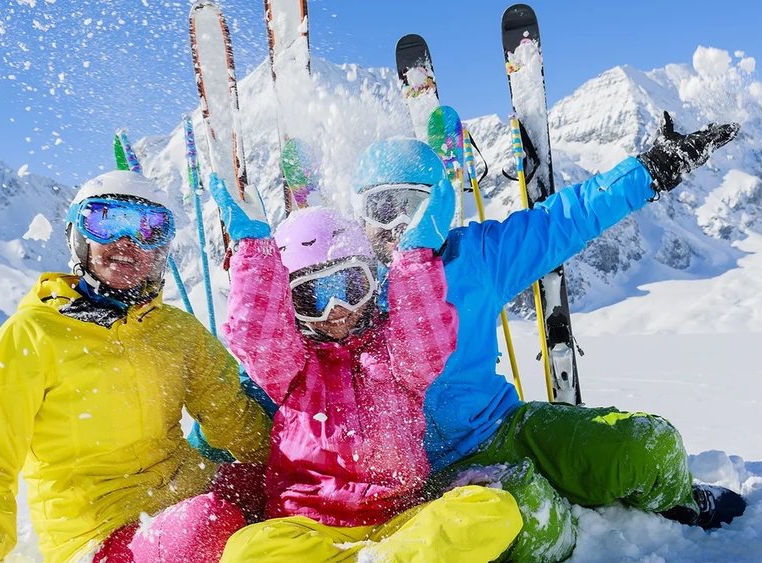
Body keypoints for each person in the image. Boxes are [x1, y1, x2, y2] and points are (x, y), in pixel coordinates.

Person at [350, 113, 745, 561]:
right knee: (531, 518)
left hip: (506, 427)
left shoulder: (476, 256)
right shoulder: (348, 293)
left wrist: (652, 168)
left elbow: (566, 219)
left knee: (647, 444)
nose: (393, 226)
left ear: (437, 202)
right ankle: (567, 522)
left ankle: (679, 500)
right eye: (379, 210)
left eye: (408, 205)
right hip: (431, 476)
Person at [0, 170, 272, 563]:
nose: (128, 241)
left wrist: (306, 454)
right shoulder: (34, 334)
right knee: (207, 525)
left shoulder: (177, 331)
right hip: (99, 530)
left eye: (150, 229)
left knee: (289, 492)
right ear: (78, 237)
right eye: (106, 221)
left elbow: (232, 418)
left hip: (190, 490)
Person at [204, 174, 524, 561]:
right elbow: (257, 336)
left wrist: (415, 259)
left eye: (350, 287)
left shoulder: (395, 353)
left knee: (492, 511)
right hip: (309, 526)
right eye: (312, 297)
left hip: (400, 520)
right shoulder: (292, 366)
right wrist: (255, 251)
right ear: (289, 304)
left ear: (372, 282)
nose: (335, 308)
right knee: (248, 550)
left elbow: (426, 335)